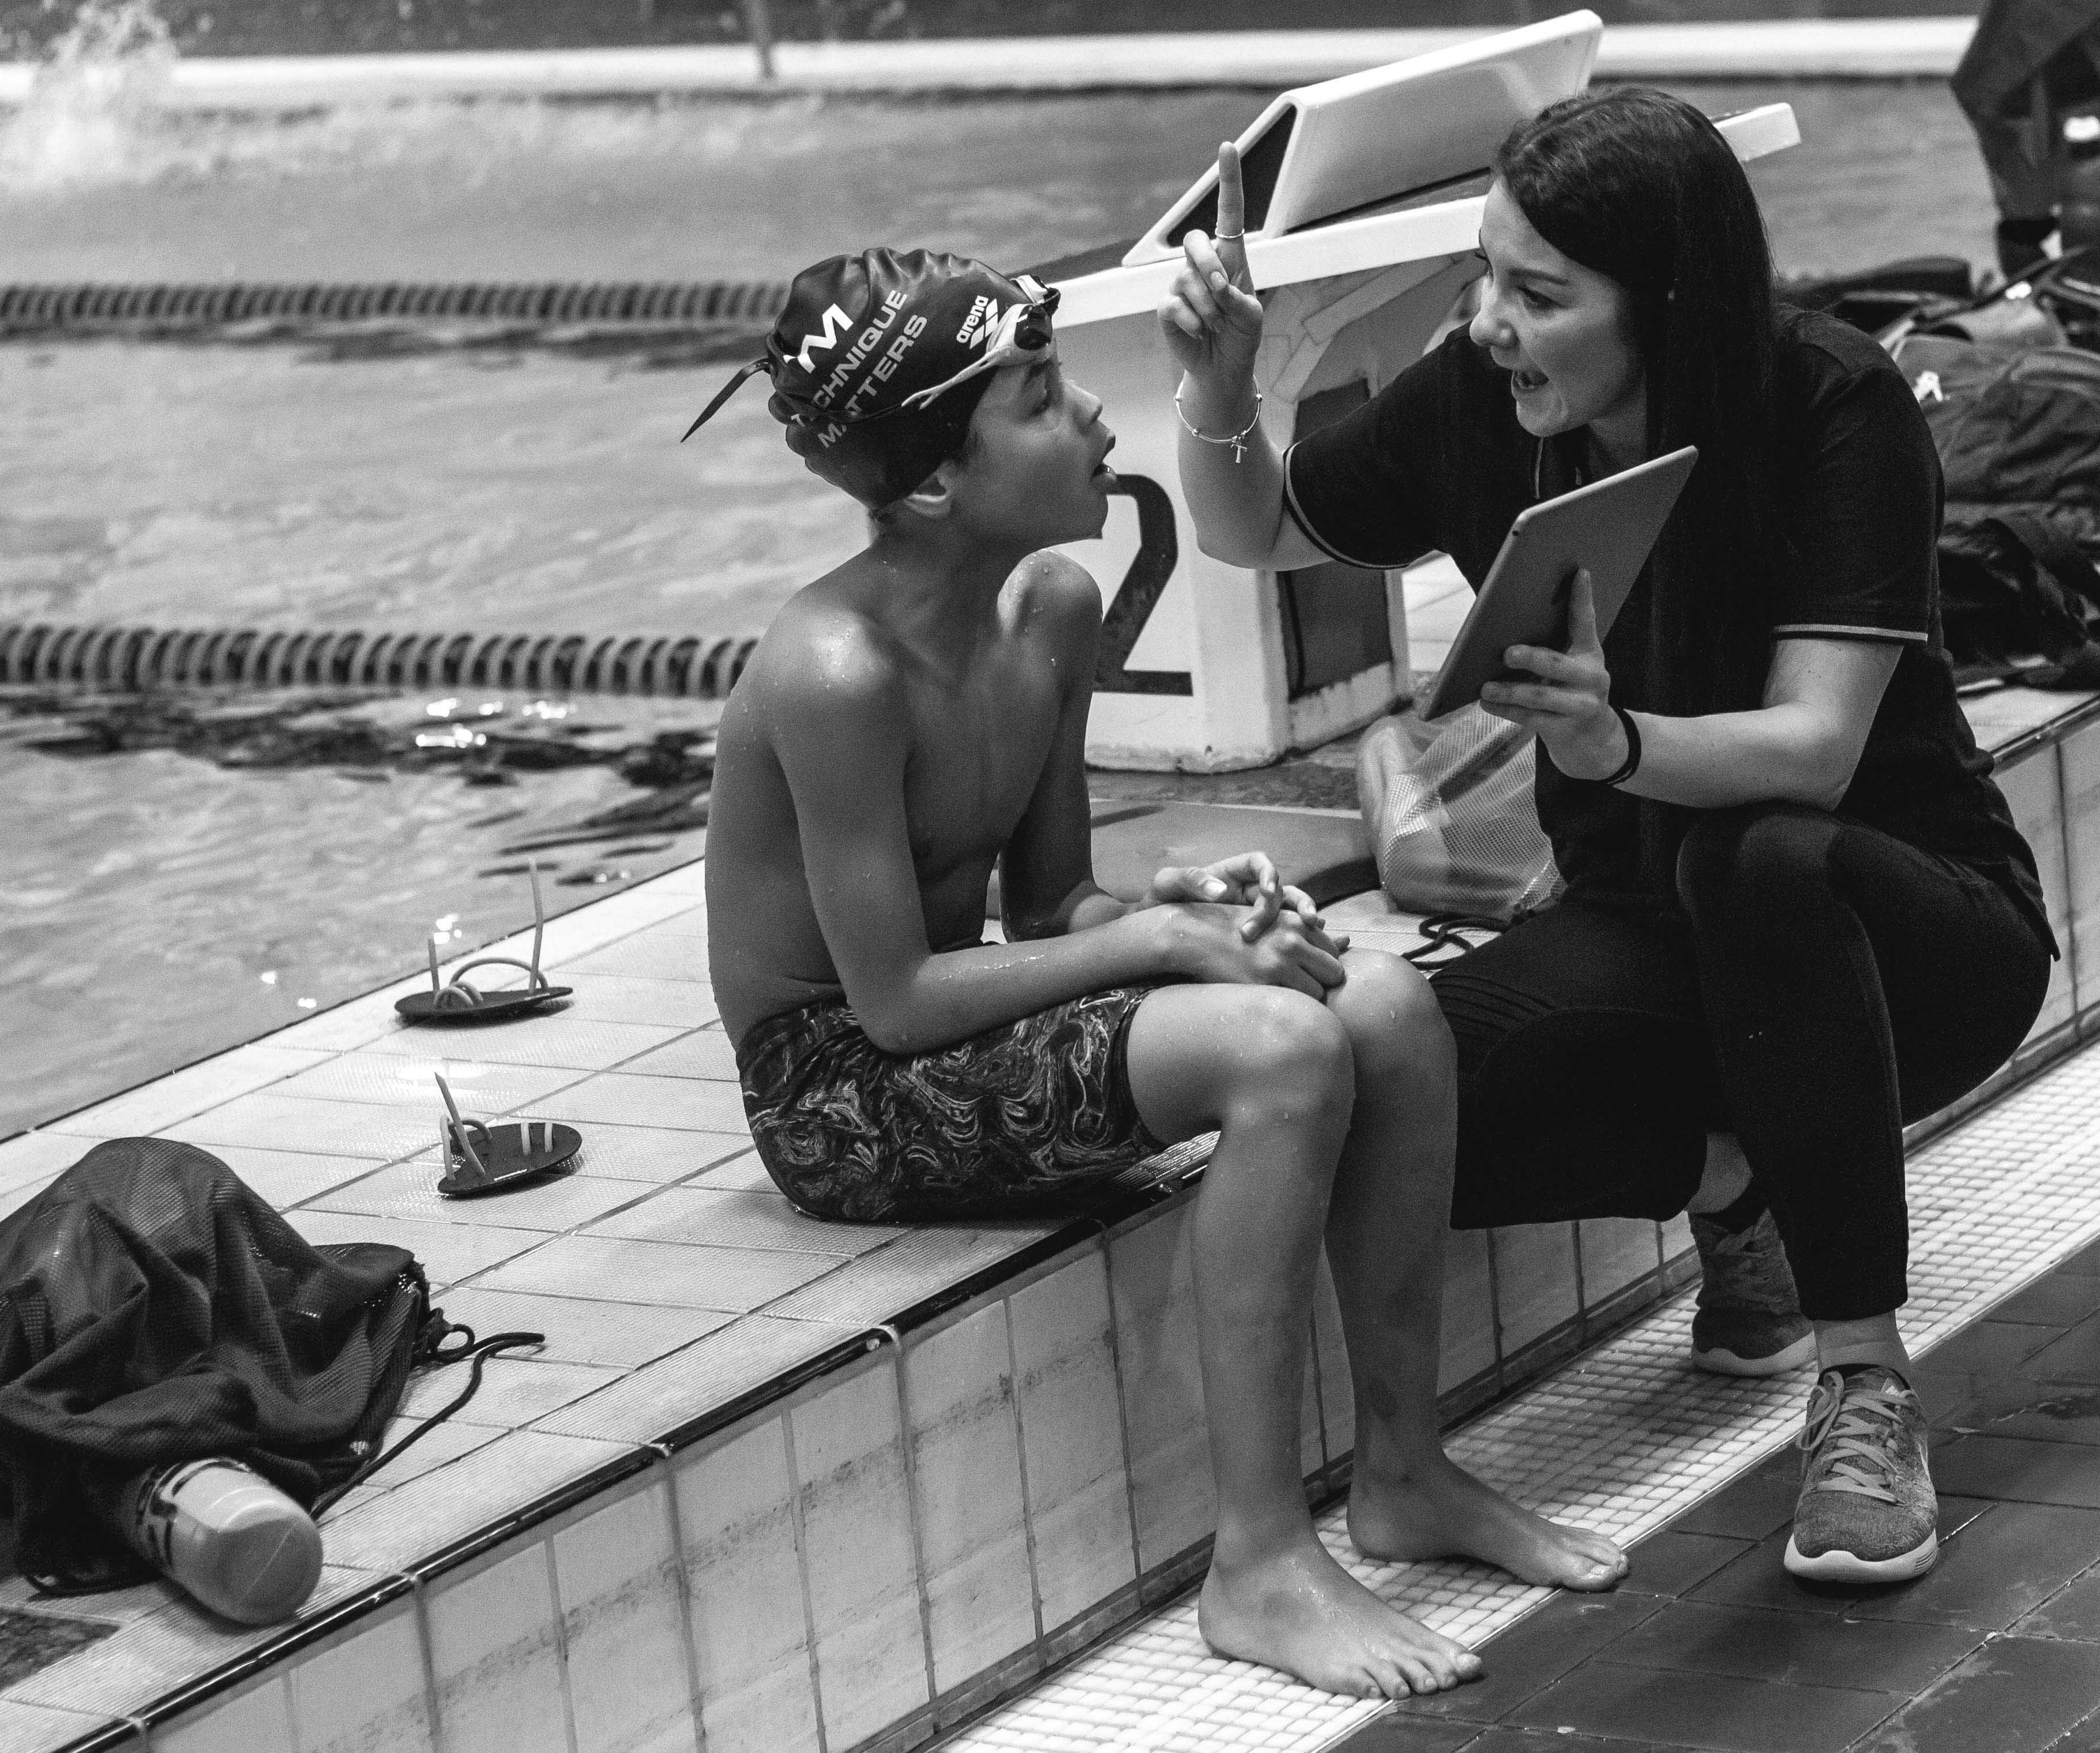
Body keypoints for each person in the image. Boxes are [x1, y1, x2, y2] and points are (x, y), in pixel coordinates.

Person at [685, 249, 1624, 1700]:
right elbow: (893, 1004)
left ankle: (1405, 1471)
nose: (1091, 418)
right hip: (834, 1090)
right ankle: (1258, 1559)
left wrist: (1180, 905)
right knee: (1283, 1052)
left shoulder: (1053, 608)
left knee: (1385, 1002)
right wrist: (1155, 946)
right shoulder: (833, 671)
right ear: (934, 481)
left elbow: (1051, 900)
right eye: (1039, 401)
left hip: (935, 1025)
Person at [1160, 92, 2058, 1584]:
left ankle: (1865, 1381)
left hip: (1907, 934)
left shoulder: (1830, 404)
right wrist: (1218, 386)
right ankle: (1739, 1184)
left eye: (1539, 294)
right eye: (1488, 274)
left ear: (1668, 305)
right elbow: (1254, 528)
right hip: (1653, 941)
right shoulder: (1482, 399)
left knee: (1752, 855)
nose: (1489, 323)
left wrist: (1612, 745)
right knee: (1385, 1095)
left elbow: (1816, 750)